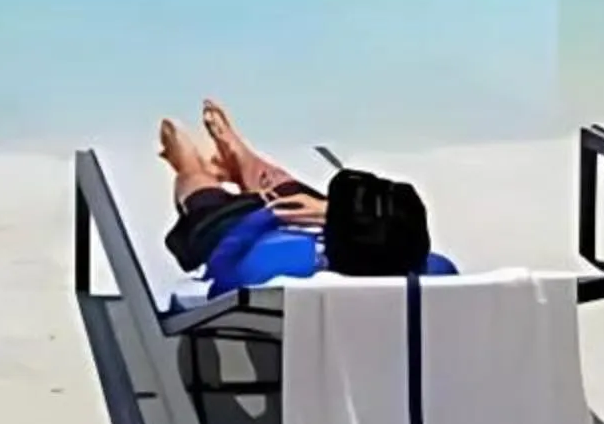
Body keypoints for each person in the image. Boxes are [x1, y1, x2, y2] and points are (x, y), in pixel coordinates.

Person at [159, 100, 456, 298]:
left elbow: (220, 273)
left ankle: (192, 163)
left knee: (201, 193)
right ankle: (239, 156)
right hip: (317, 224)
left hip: (246, 229)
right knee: (288, 191)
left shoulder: (276, 269)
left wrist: (271, 215)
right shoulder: (439, 275)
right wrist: (328, 213)